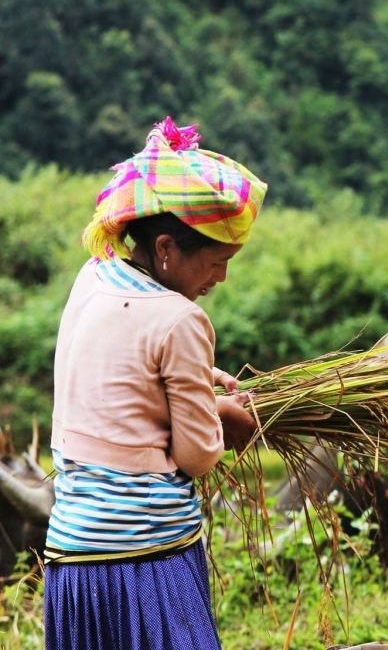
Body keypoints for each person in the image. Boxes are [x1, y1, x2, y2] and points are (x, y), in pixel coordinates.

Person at [44, 118, 267, 649]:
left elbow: (121, 375)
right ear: (166, 247)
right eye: (217, 262)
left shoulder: (95, 274)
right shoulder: (181, 319)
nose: (221, 278)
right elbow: (196, 456)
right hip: (146, 560)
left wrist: (201, 380)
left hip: (72, 557)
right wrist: (222, 412)